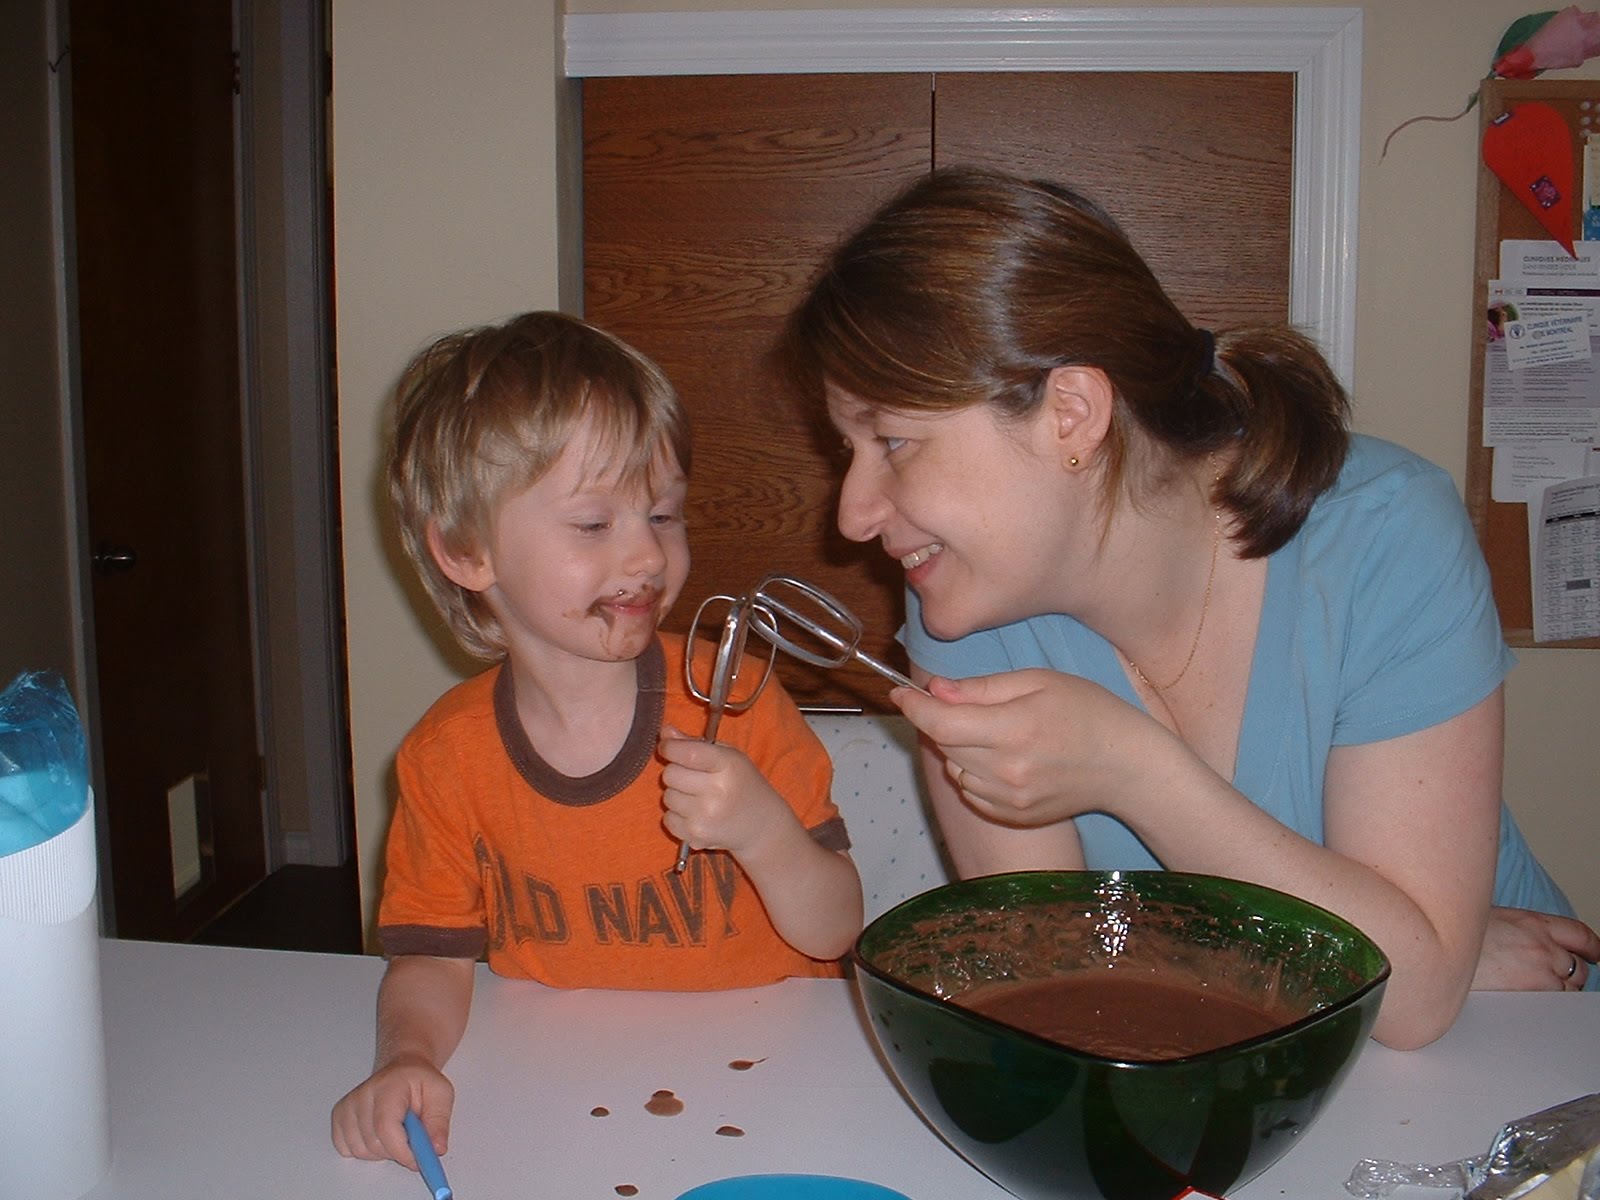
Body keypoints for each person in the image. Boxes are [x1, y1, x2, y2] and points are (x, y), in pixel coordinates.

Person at [779, 167, 1600, 1051]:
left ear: (1071, 413)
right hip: (1218, 1056)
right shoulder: (965, 605)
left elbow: (1412, 1008)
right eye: (850, 449)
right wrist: (1377, 959)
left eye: (894, 441)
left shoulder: (1386, 535)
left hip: (1517, 1047)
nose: (853, 514)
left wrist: (1134, 770)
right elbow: (1050, 984)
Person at [331, 311, 862, 1171]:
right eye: (593, 524)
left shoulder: (734, 701)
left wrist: (763, 831)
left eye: (664, 514)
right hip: (566, 1104)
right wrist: (407, 1058)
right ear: (466, 551)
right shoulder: (445, 759)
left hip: (772, 1087)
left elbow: (836, 929)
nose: (647, 555)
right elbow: (433, 959)